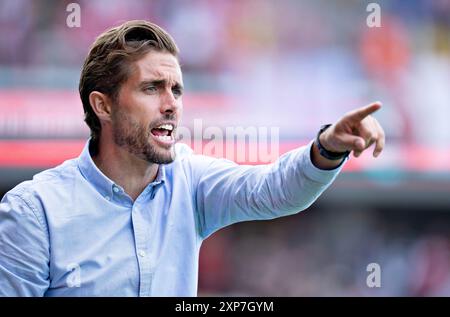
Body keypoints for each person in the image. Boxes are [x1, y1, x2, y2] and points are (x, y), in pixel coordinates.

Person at [0, 20, 385, 296]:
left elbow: (275, 190)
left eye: (177, 90)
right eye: (152, 88)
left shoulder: (191, 180)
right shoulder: (35, 211)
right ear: (103, 105)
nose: (171, 105)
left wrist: (328, 147)